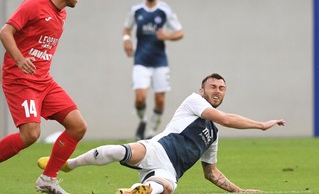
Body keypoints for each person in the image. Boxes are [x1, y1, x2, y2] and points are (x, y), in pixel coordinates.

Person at [37, 73, 286, 194]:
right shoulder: (194, 102)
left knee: (162, 187)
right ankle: (68, 164)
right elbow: (225, 118)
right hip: (157, 148)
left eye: (222, 88)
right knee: (122, 150)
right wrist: (261, 125)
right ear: (202, 91)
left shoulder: (213, 135)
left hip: (170, 171)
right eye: (213, 87)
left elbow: (211, 172)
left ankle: (134, 191)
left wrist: (239, 191)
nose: (217, 91)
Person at [0, 0, 87, 194]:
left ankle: (48, 178)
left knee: (77, 126)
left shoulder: (62, 13)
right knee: (30, 135)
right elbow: (5, 31)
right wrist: (19, 59)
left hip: (43, 81)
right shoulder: (34, 4)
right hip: (20, 79)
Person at [122, 0, 184, 140]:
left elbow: (180, 32)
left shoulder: (165, 10)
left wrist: (168, 36)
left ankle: (152, 130)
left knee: (160, 100)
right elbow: (126, 29)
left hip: (160, 61)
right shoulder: (136, 10)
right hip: (141, 60)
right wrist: (126, 41)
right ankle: (142, 120)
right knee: (140, 98)